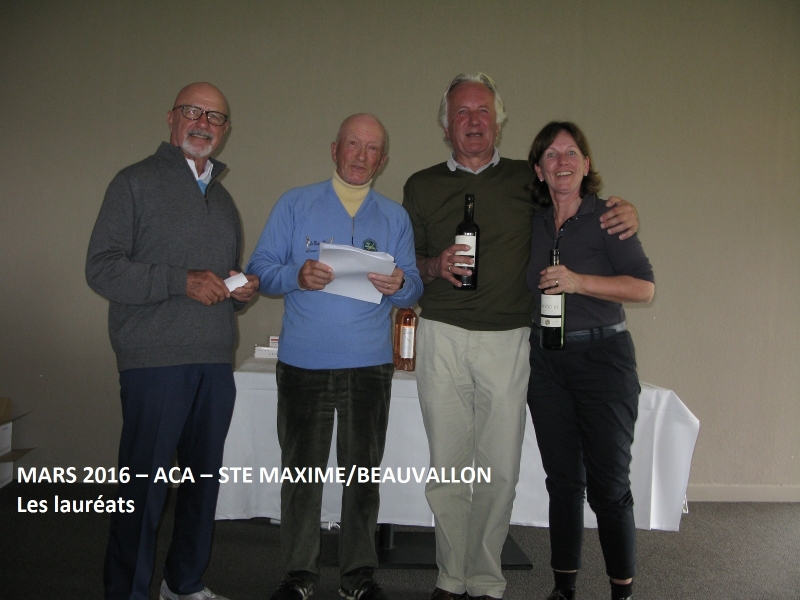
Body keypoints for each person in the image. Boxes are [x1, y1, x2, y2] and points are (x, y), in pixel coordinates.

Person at [402, 73, 640, 600]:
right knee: (447, 469)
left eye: (483, 111)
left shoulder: (525, 181)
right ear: (445, 125)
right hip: (441, 335)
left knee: (498, 471)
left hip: (509, 339)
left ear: (499, 122)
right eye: (462, 112)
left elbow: (573, 199)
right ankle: (450, 577)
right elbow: (406, 264)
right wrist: (435, 265)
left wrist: (623, 211)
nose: (473, 121)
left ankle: (486, 580)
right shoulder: (420, 185)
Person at [86, 82, 259, 600]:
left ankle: (183, 583)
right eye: (193, 111)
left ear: (225, 130)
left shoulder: (223, 200)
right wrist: (180, 280)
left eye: (215, 117)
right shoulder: (133, 182)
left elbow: (216, 285)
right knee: (143, 490)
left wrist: (238, 292)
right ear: (171, 118)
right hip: (154, 361)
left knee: (202, 487)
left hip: (214, 361)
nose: (203, 123)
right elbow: (101, 268)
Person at [247, 113, 423, 600]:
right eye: (353, 144)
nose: (361, 156)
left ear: (382, 160)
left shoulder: (394, 217)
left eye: (372, 148)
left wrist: (401, 284)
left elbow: (413, 287)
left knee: (362, 478)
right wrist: (296, 276)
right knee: (301, 477)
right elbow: (260, 268)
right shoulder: (295, 203)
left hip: (369, 365)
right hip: (304, 364)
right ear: (334, 149)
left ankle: (358, 577)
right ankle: (298, 577)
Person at [526, 121, 655, 600]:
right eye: (551, 154)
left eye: (571, 153)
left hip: (603, 360)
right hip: (547, 363)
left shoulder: (608, 217)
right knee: (562, 482)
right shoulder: (532, 221)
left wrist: (579, 282)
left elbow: (643, 288)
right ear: (539, 170)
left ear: (586, 163)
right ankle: (564, 588)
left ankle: (622, 592)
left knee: (608, 486)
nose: (562, 161)